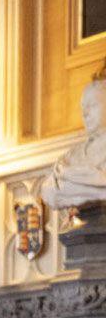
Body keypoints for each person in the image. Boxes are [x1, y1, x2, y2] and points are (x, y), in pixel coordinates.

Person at [41, 62, 106, 209]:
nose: (85, 113)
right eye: (83, 107)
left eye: (92, 105)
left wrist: (72, 183)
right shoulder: (71, 156)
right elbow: (49, 191)